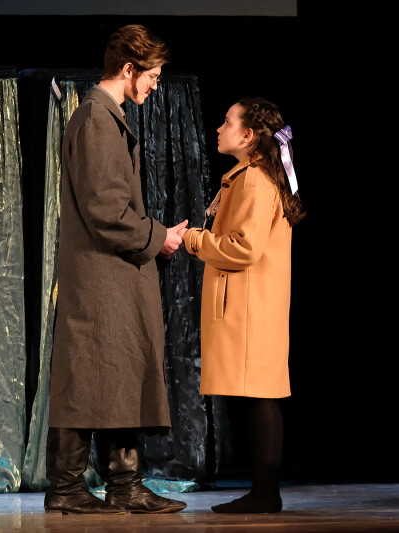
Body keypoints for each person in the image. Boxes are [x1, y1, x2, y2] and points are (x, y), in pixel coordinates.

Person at [44, 24, 189, 514]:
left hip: (113, 273)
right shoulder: (95, 120)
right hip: (100, 275)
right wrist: (158, 236)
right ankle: (67, 488)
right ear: (129, 69)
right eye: (152, 76)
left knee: (116, 376)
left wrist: (155, 236)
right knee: (89, 375)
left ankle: (124, 484)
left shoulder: (107, 117)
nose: (154, 86)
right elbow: (106, 210)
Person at [179, 98, 304, 513]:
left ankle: (266, 493)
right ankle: (264, 492)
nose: (219, 128)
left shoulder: (254, 180)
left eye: (227, 122)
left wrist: (194, 240)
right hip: (256, 304)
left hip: (251, 306)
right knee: (259, 396)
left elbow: (243, 248)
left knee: (261, 397)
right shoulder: (253, 176)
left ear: (248, 135)